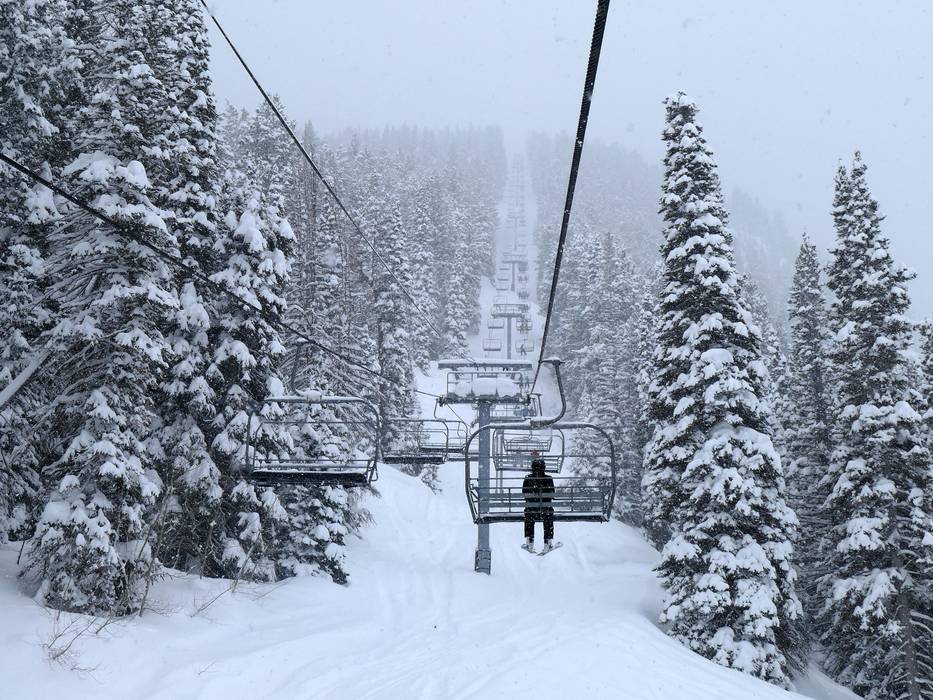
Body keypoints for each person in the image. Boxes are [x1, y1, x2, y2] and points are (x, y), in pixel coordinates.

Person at [521, 452, 556, 553]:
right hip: (546, 511)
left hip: (531, 511)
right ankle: (548, 542)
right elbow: (552, 494)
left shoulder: (528, 478)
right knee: (548, 517)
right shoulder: (548, 479)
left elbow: (524, 494)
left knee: (529, 516)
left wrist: (533, 497)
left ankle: (530, 541)